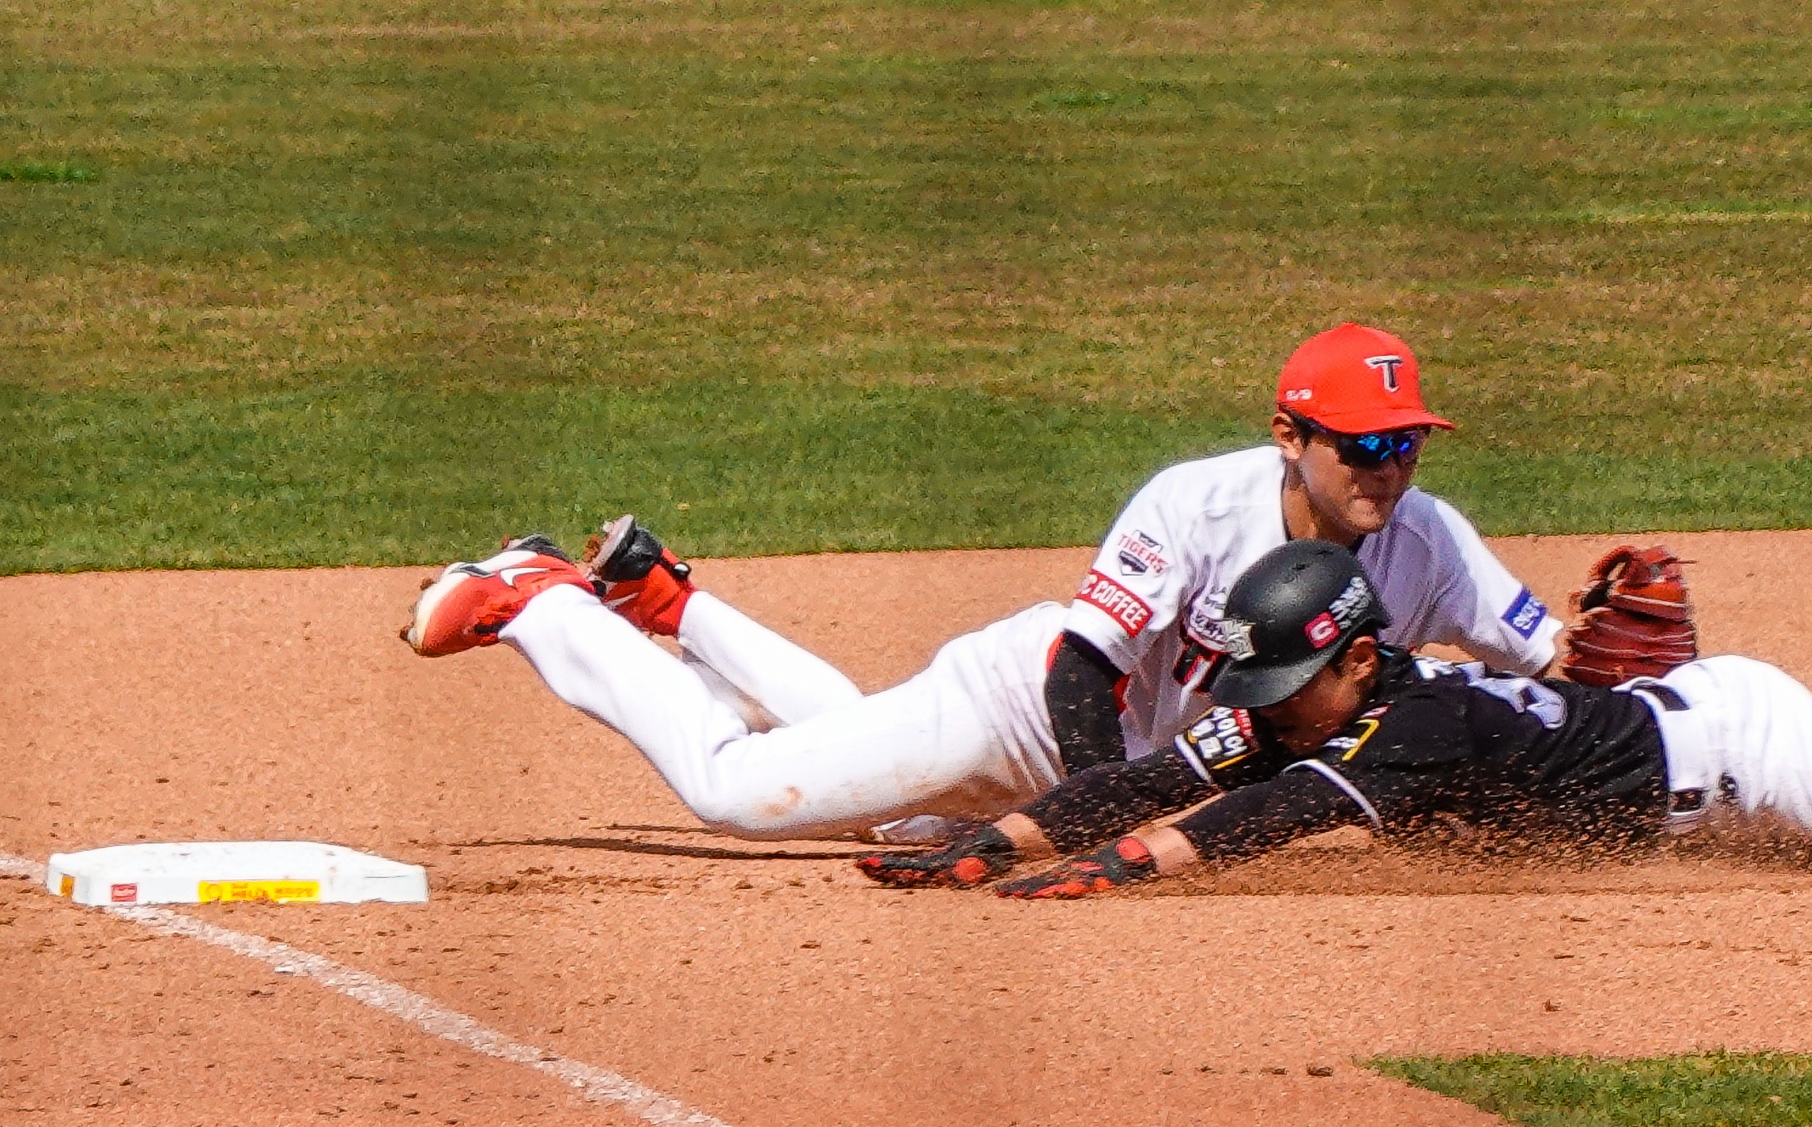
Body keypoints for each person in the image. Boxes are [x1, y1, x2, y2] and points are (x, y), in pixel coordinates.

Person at [398, 325, 1566, 839]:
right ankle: (541, 596)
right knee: (740, 796)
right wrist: (1101, 812)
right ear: (1289, 436)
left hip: (1116, 765)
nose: (1388, 467)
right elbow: (1084, 668)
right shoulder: (1194, 504)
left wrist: (1626, 672)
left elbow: (1549, 664)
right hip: (1017, 709)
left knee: (860, 775)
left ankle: (667, 603)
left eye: (1406, 442)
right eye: (1363, 445)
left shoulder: (1432, 540)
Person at [857, 541, 1812, 897]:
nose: (1259, 713)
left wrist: (1114, 874)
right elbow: (1158, 773)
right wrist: (995, 839)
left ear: (1355, 663)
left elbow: (1257, 820)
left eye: (1283, 687)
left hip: (1741, 746)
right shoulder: (1317, 708)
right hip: (1686, 771)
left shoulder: (1411, 732)